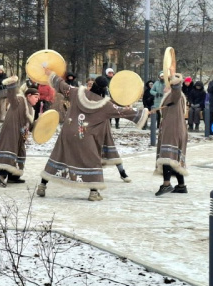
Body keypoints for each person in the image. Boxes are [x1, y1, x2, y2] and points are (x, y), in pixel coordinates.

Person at [37, 73, 149, 202]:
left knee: (58, 155)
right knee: (92, 160)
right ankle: (94, 192)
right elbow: (123, 112)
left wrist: (50, 73)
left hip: (67, 132)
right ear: (104, 89)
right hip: (86, 136)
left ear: (93, 84)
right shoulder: (105, 105)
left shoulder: (76, 92)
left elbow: (62, 85)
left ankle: (42, 185)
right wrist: (145, 112)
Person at [0, 76, 37, 186]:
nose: (37, 99)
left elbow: (30, 126)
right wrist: (11, 84)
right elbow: (11, 97)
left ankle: (13, 176)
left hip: (20, 136)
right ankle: (0, 173)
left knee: (21, 154)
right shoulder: (20, 100)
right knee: (9, 152)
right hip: (11, 132)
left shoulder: (31, 109)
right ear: (28, 96)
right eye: (35, 97)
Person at [154, 74, 189, 196]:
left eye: (167, 84)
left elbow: (177, 92)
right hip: (174, 128)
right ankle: (181, 185)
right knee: (174, 158)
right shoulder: (171, 97)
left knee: (167, 156)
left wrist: (176, 82)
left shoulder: (175, 95)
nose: (164, 87)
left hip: (173, 130)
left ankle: (166, 184)